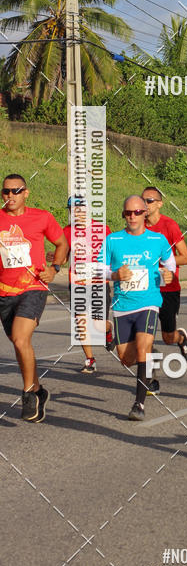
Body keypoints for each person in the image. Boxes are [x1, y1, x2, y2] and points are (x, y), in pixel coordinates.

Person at [99, 196, 176, 421]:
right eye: (128, 213)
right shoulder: (112, 240)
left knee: (143, 348)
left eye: (137, 212)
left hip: (149, 302)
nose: (132, 216)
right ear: (123, 214)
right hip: (122, 305)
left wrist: (169, 274)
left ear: (145, 213)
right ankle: (150, 356)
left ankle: (139, 404)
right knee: (126, 359)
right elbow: (98, 269)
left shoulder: (157, 239)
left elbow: (170, 263)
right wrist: (114, 275)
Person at [0, 173, 68, 421]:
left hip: (34, 287)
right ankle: (38, 390)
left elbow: (62, 244)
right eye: (6, 191)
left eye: (16, 191)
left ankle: (28, 393)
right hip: (4, 291)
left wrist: (55, 268)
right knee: (19, 344)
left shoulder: (42, 217)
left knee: (20, 338)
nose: (10, 195)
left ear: (26, 193)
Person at [141, 187, 187, 358]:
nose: (145, 204)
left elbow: (186, 258)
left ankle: (180, 338)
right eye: (143, 200)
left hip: (168, 288)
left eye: (149, 201)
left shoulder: (169, 225)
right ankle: (146, 363)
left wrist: (160, 262)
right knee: (143, 333)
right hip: (145, 288)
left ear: (160, 204)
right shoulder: (138, 226)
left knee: (168, 337)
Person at [63, 196, 113, 373]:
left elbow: (112, 253)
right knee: (81, 321)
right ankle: (90, 359)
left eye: (81, 209)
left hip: (99, 282)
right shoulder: (67, 231)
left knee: (98, 325)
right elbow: (63, 257)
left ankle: (108, 330)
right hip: (78, 283)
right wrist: (54, 258)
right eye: (73, 210)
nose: (77, 213)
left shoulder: (102, 229)